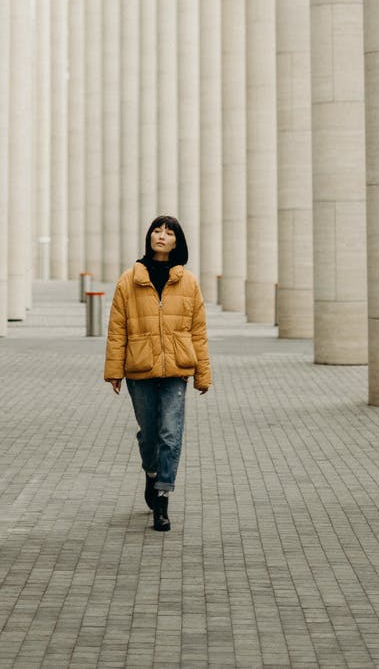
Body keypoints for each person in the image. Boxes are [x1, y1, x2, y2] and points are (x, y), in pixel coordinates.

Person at [104, 215, 211, 532]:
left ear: (177, 241)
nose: (161, 235)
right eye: (157, 230)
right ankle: (151, 473)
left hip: (176, 370)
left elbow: (198, 331)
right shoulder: (129, 280)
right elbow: (117, 330)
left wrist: (202, 374)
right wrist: (114, 371)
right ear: (149, 237)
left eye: (169, 232)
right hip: (140, 370)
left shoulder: (188, 282)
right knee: (149, 435)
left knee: (170, 434)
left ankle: (162, 499)